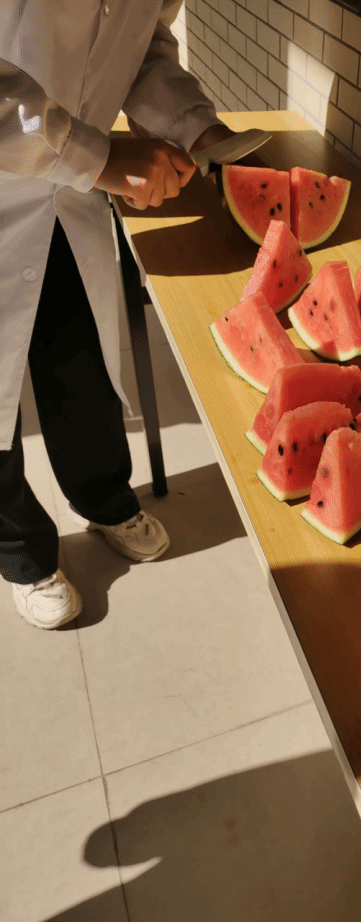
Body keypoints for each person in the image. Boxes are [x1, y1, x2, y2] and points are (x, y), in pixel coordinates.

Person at [1, 1, 236, 629]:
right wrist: (96, 157)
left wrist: (195, 126)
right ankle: (20, 552)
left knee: (82, 365)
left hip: (70, 197)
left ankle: (103, 499)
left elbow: (141, 42)